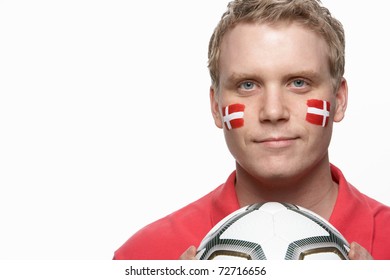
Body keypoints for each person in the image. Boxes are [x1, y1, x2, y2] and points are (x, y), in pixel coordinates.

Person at [114, 0, 390, 260]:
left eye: (298, 83)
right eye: (247, 85)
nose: (273, 112)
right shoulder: (143, 256)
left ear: (338, 100)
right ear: (216, 106)